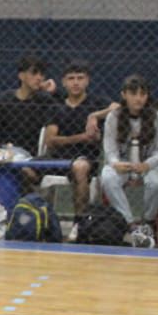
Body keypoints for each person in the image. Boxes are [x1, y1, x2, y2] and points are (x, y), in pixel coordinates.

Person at [0, 54, 58, 197]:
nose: (39, 78)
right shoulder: (4, 99)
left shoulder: (46, 101)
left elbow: (63, 111)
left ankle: (18, 207)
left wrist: (55, 93)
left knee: (24, 171)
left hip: (26, 156)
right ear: (21, 75)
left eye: (42, 74)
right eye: (34, 73)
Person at [42, 60, 114, 217]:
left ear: (87, 80)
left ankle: (79, 223)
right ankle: (32, 219)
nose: (76, 82)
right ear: (63, 82)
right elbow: (50, 140)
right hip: (57, 159)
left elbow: (118, 107)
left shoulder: (97, 102)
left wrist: (94, 115)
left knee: (80, 168)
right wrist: (81, 137)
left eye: (80, 78)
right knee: (26, 170)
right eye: (71, 78)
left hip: (86, 159)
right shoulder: (56, 106)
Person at [99, 74, 158, 228]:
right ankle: (130, 222)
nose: (138, 98)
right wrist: (115, 163)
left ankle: (148, 221)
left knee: (156, 183)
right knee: (107, 177)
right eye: (133, 94)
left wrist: (148, 164)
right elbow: (110, 149)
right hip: (123, 165)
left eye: (142, 94)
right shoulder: (114, 117)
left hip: (148, 166)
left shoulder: (155, 117)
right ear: (124, 95)